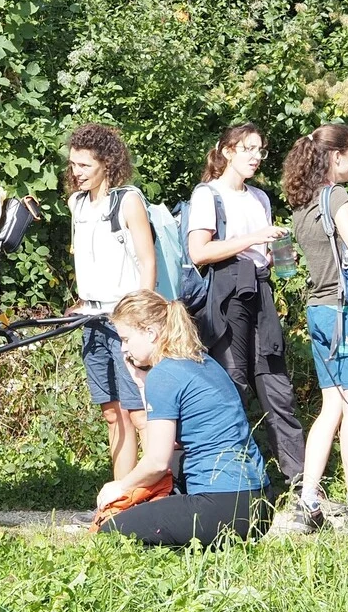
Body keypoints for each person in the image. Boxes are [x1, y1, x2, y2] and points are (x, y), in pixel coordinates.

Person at [272, 123, 348, 535]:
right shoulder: (336, 196)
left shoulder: (302, 203)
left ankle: (309, 499)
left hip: (319, 312)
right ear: (335, 156)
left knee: (332, 408)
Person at [96, 290, 269, 547]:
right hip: (260, 506)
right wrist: (142, 385)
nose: (124, 349)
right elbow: (172, 445)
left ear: (151, 333)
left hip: (223, 507)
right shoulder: (203, 361)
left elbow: (157, 461)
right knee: (177, 461)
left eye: (126, 339)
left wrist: (120, 487)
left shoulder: (164, 374)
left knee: (111, 532)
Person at [185, 123, 305, 486]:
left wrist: (278, 256)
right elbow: (199, 252)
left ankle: (300, 480)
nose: (256, 157)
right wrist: (253, 238)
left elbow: (263, 255)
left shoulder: (260, 198)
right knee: (233, 385)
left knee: (276, 385)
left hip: (260, 291)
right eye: (248, 149)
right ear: (227, 151)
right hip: (225, 297)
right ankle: (234, 478)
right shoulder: (208, 195)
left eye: (260, 150)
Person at [64, 123, 155, 478]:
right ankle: (123, 495)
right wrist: (81, 302)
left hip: (127, 319)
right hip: (92, 318)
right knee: (112, 412)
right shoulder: (76, 204)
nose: (76, 172)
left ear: (106, 163)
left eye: (84, 165)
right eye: (73, 164)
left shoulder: (128, 200)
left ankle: (154, 490)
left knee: (140, 411)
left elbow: (147, 262)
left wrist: (140, 318)